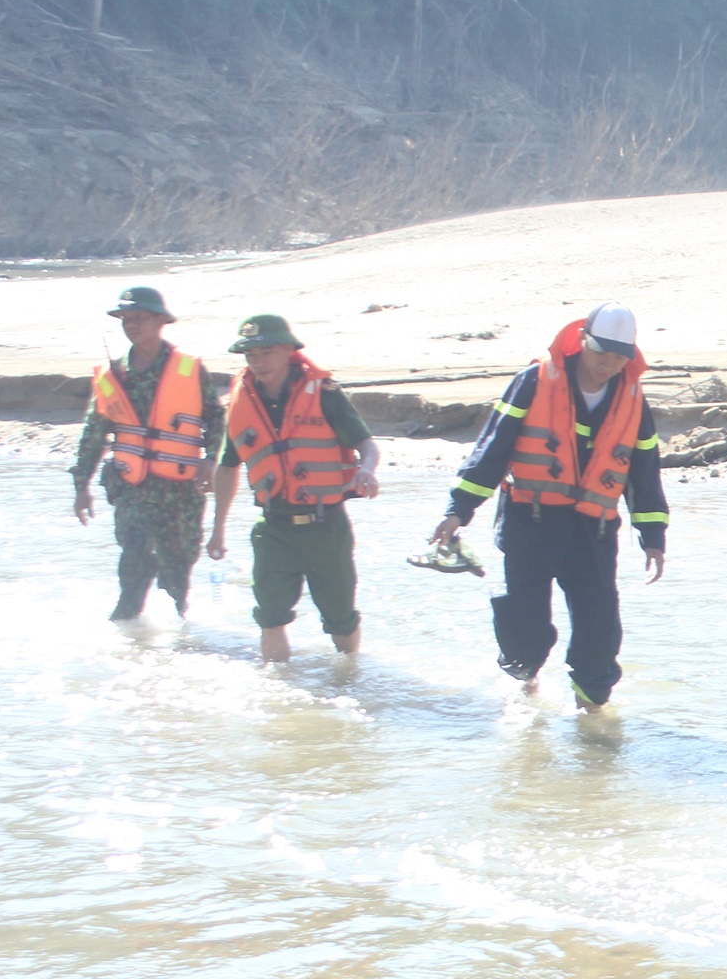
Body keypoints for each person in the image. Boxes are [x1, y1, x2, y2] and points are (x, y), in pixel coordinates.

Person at [428, 303, 669, 710]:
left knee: (599, 636)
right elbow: (493, 447)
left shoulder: (632, 397)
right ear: (581, 342)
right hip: (530, 523)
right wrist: (457, 510)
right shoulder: (535, 380)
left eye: (618, 357)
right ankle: (525, 685)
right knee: (526, 637)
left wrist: (653, 537)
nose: (608, 365)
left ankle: (592, 721)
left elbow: (644, 471)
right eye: (600, 353)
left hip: (592, 534)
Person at [206, 315, 381, 660]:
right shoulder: (241, 402)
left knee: (340, 620)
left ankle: (349, 678)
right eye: (250, 355)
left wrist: (367, 470)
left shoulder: (325, 394)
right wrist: (217, 530)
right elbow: (227, 467)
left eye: (266, 352)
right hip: (273, 528)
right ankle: (279, 695)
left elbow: (368, 445)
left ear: (288, 350)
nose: (258, 361)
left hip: (326, 527)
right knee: (270, 618)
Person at [71, 286, 220, 622]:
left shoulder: (189, 369)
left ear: (160, 320)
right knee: (133, 565)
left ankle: (184, 635)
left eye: (138, 318)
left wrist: (210, 460)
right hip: (132, 490)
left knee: (177, 574)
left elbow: (216, 417)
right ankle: (126, 639)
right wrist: (82, 485)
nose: (130, 324)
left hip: (181, 493)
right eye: (125, 318)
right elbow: (94, 432)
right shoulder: (114, 376)